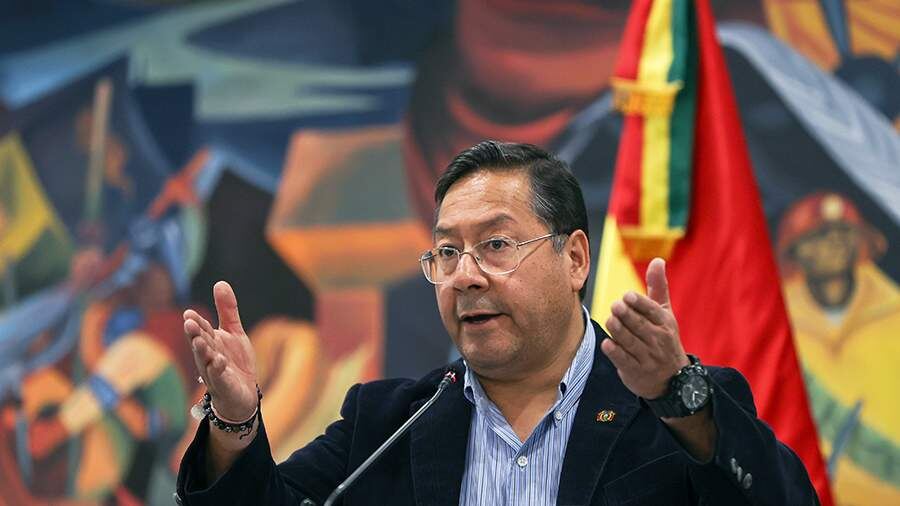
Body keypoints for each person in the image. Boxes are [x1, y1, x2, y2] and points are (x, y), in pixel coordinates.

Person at [175, 141, 818, 505]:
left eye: (496, 245)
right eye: (446, 252)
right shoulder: (386, 424)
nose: (465, 276)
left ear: (574, 259)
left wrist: (678, 396)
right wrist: (235, 421)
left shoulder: (680, 409)